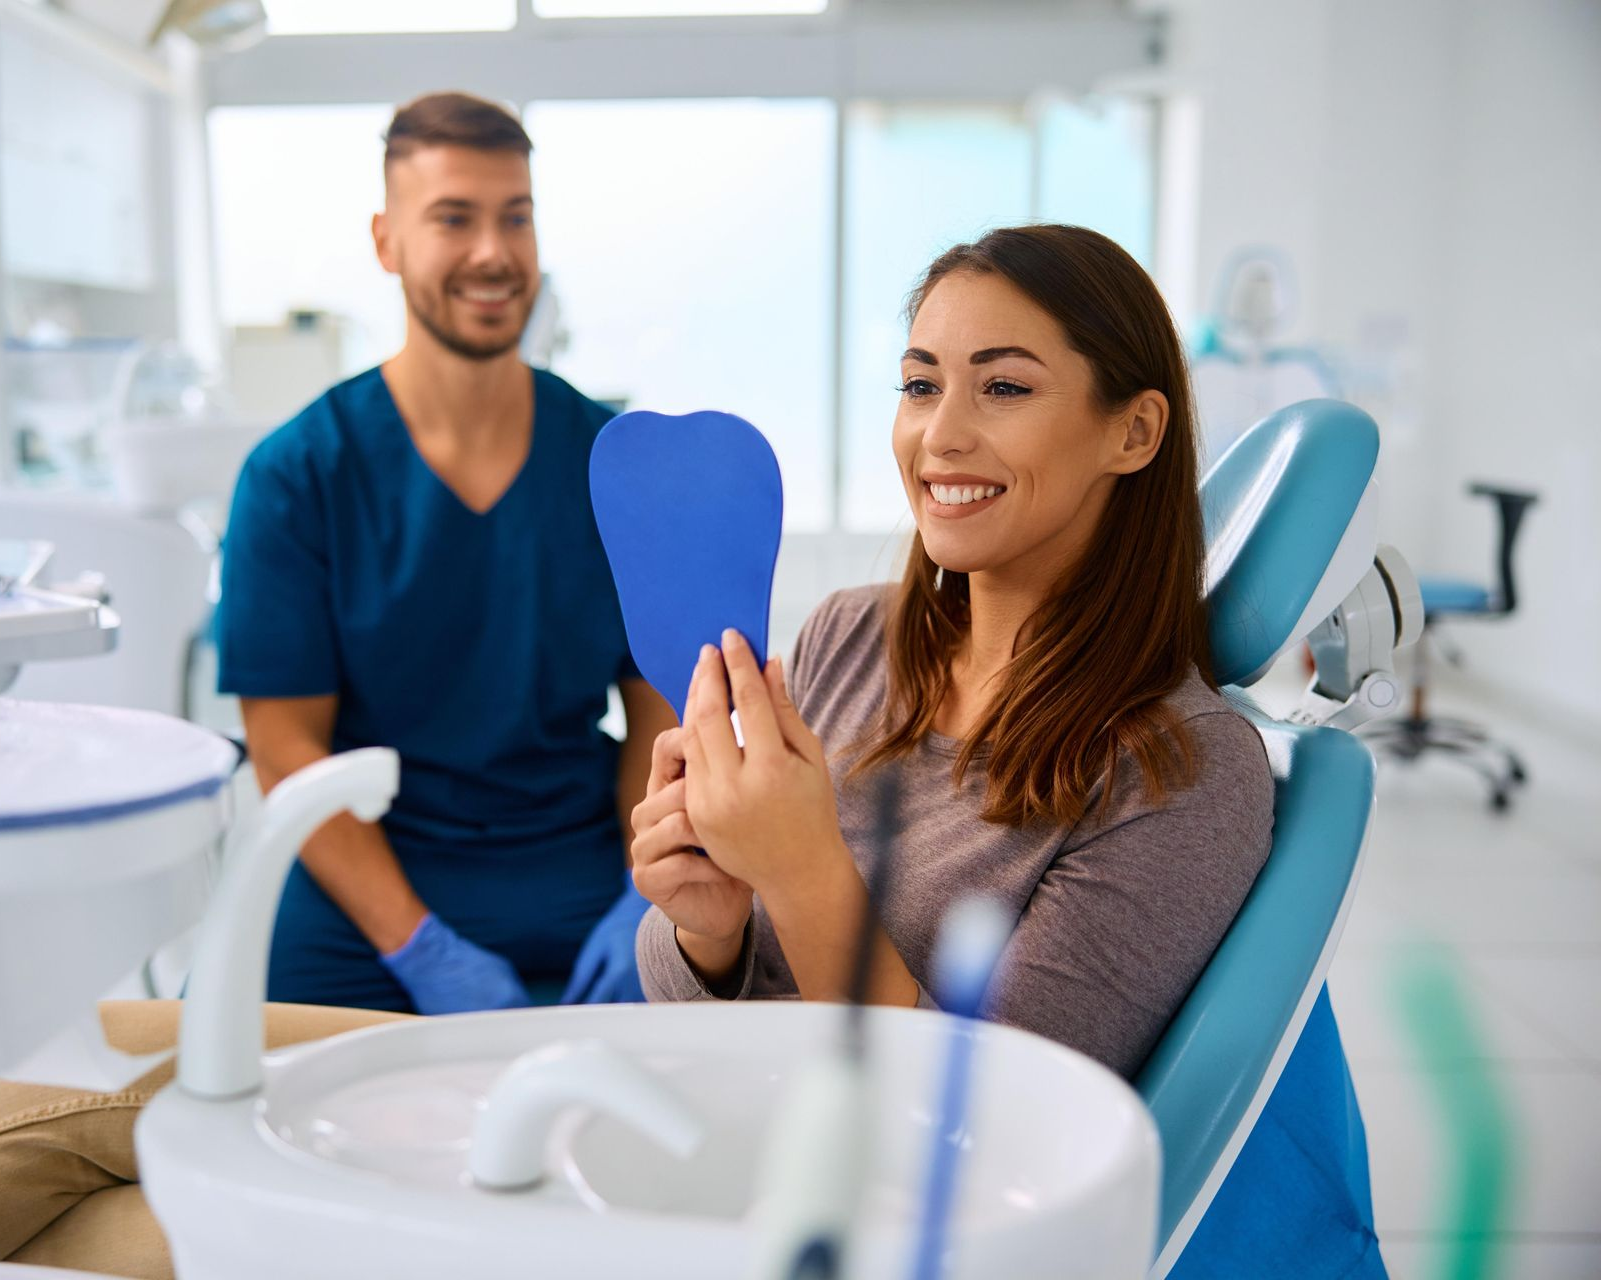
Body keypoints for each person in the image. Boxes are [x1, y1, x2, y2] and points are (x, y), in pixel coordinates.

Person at [632, 223, 1274, 1077]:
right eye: (919, 384)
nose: (939, 434)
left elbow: (990, 1114)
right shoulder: (848, 637)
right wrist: (708, 931)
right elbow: (705, 1006)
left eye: (1003, 386)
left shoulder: (1183, 769)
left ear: (1134, 432)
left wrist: (799, 873)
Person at [217, 92, 676, 1015]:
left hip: (579, 872)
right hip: (366, 879)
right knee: (227, 1068)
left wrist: (647, 897)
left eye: (517, 217)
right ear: (386, 242)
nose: (493, 254)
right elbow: (284, 743)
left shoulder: (614, 463)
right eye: (453, 219)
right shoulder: (298, 474)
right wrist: (418, 948)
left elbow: (658, 703)